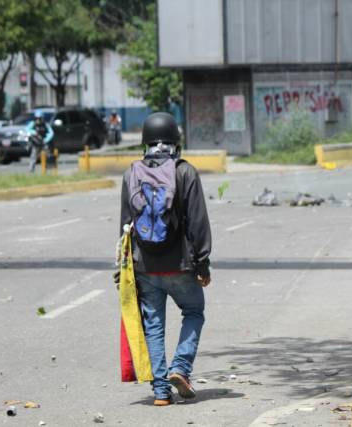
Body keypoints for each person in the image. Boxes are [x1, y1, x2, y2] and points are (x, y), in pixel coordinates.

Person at [118, 112, 212, 406]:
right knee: (194, 311)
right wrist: (203, 264)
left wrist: (122, 270)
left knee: (154, 325)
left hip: (144, 266)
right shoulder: (185, 172)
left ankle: (160, 392)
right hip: (180, 264)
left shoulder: (130, 173)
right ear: (175, 142)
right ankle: (181, 367)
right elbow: (198, 222)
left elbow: (125, 226)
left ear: (144, 142)